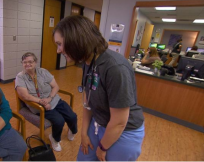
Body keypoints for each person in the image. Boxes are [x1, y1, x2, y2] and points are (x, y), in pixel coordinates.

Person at [53, 15, 145, 161]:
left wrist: (103, 148)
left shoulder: (115, 67)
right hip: (98, 123)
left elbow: (119, 122)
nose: (58, 50)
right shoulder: (88, 62)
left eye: (59, 44)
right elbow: (87, 101)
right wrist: (84, 133)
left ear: (76, 40)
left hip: (122, 132)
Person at [15, 52, 78, 152]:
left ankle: (73, 130)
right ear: (22, 63)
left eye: (30, 61)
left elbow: (55, 86)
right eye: (24, 62)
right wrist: (42, 102)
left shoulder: (43, 71)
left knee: (72, 116)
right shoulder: (20, 77)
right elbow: (24, 96)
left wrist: (49, 98)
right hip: (38, 105)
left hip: (53, 99)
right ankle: (55, 139)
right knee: (59, 120)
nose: (27, 64)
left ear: (35, 62)